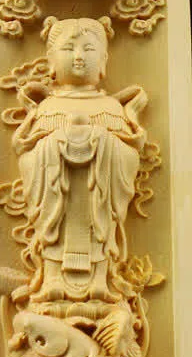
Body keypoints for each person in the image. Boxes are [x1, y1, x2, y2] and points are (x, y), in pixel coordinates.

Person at [13, 17, 146, 306]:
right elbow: (26, 157)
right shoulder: (47, 109)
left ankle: (100, 282)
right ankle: (51, 280)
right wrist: (53, 148)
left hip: (96, 200)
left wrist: (104, 143)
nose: (78, 57)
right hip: (58, 202)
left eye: (88, 49)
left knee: (99, 234)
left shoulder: (111, 108)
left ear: (104, 61)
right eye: (69, 49)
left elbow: (130, 156)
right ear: (51, 61)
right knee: (54, 236)